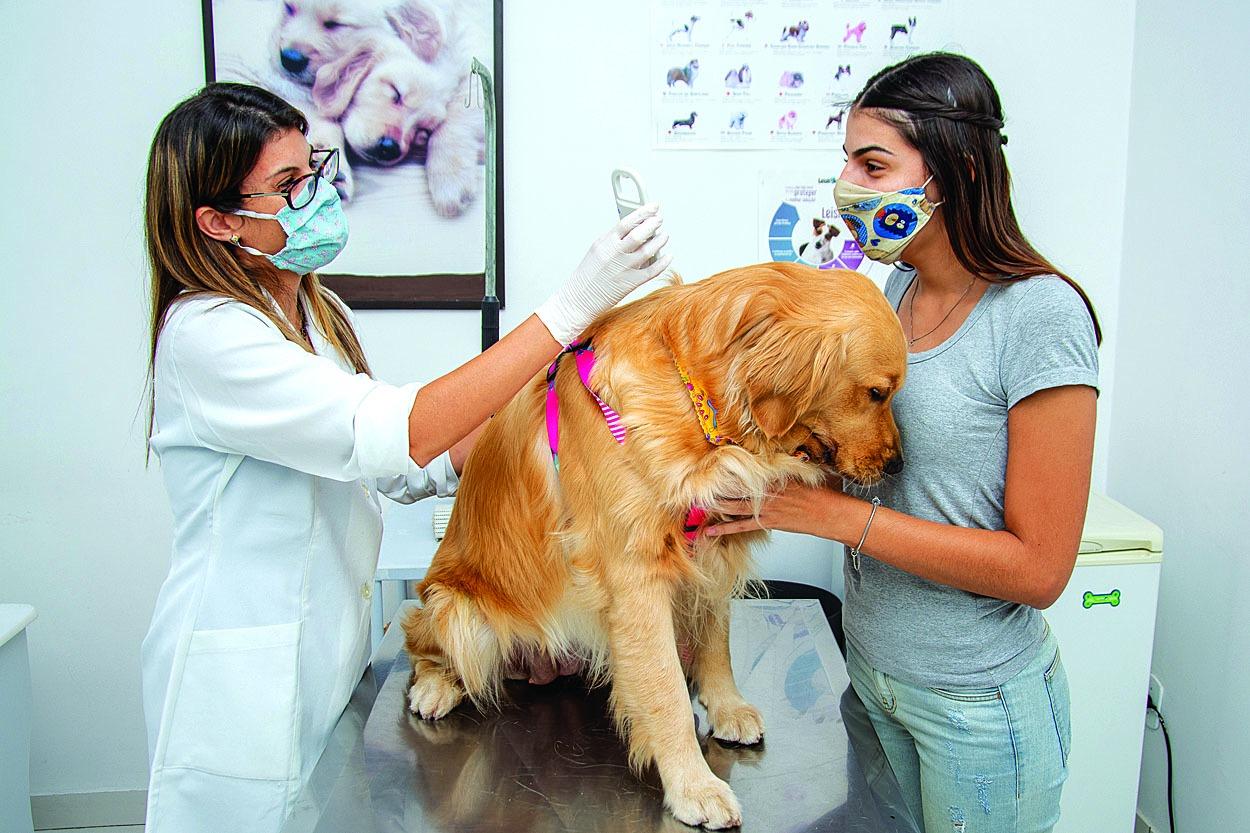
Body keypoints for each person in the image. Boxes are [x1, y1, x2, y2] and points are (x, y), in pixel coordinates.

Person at [139, 82, 671, 833]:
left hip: (326, 659)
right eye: (289, 187)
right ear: (218, 220)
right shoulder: (207, 335)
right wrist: (569, 308)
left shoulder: (318, 316)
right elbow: (392, 430)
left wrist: (563, 414)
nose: (318, 196)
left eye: (313, 169)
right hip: (239, 688)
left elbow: (402, 464)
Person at [707, 53, 1099, 832]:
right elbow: (878, 477)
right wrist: (755, 491)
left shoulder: (1039, 316)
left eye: (872, 163)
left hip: (976, 708)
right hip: (873, 678)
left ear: (951, 172)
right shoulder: (896, 293)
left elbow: (1040, 567)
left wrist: (833, 519)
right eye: (847, 160)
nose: (848, 184)